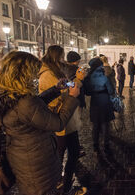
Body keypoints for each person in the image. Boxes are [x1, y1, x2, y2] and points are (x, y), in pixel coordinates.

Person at [0, 51, 81, 195]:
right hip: (36, 165)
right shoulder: (24, 103)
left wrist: (55, 90)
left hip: (22, 157)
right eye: (31, 73)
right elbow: (57, 123)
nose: (34, 77)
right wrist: (71, 97)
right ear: (22, 73)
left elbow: (33, 109)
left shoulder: (7, 93)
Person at [38, 46, 85, 194]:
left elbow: (67, 86)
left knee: (73, 151)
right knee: (60, 154)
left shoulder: (54, 72)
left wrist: (77, 80)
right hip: (61, 122)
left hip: (67, 121)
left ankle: (65, 183)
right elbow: (61, 97)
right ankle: (61, 184)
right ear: (56, 57)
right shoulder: (48, 75)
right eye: (61, 57)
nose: (63, 60)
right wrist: (78, 81)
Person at [85, 57, 115, 154]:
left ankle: (95, 145)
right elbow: (111, 91)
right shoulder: (104, 76)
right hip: (105, 102)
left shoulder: (89, 77)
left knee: (96, 125)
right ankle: (106, 146)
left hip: (95, 103)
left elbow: (88, 92)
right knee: (105, 124)